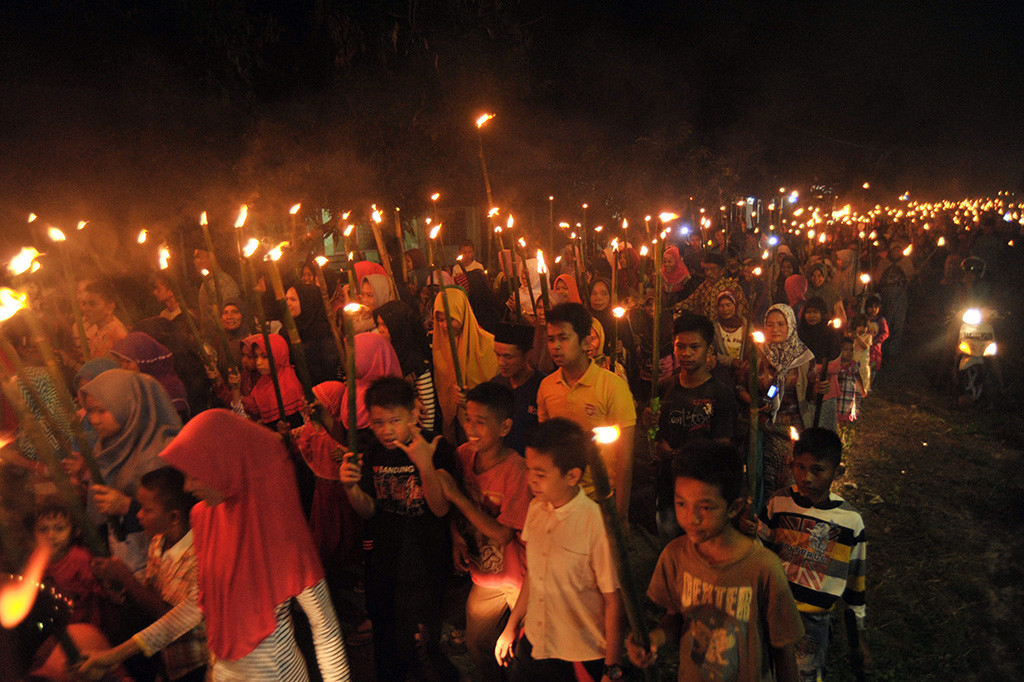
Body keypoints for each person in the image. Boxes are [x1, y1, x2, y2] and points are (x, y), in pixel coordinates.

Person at [160, 410, 350, 681]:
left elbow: (326, 629)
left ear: (226, 465)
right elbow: (201, 604)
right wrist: (123, 651)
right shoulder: (204, 518)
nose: (188, 487)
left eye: (195, 475)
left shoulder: (281, 534)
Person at [627, 441, 803, 682]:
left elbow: (783, 650)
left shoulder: (763, 568)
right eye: (681, 504)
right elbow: (676, 618)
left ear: (734, 508)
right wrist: (654, 639)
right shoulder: (675, 555)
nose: (692, 518)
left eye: (706, 507)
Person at [338, 376, 458, 681]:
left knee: (421, 640)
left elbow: (440, 509)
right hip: (384, 560)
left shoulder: (436, 447)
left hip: (426, 561)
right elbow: (368, 510)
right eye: (378, 422)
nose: (386, 430)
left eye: (394, 420)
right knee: (385, 633)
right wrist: (351, 489)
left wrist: (424, 465)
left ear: (414, 414)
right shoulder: (372, 454)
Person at [494, 419, 623, 682]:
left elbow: (613, 601)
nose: (531, 479)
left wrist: (612, 667)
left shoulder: (594, 524)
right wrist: (512, 625)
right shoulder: (536, 509)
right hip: (535, 641)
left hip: (578, 654)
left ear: (572, 475)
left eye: (540, 473)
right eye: (529, 469)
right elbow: (534, 573)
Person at [435, 382, 531, 681]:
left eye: (481, 422)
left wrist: (458, 497)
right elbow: (453, 509)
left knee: (526, 648)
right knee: (477, 644)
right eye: (468, 419)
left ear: (504, 427)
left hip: (521, 578)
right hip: (486, 574)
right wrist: (455, 536)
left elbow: (503, 535)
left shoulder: (516, 470)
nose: (471, 428)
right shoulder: (463, 455)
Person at [757, 428, 870, 680]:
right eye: (799, 467)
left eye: (817, 469)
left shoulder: (850, 522)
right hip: (771, 610)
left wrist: (857, 639)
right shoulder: (779, 503)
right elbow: (758, 551)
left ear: (837, 472)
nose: (806, 477)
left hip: (812, 622)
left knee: (803, 675)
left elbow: (855, 587)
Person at [80, 467, 209, 682]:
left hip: (195, 666)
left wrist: (126, 577)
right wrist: (117, 583)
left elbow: (170, 618)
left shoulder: (197, 555)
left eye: (147, 510)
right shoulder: (158, 542)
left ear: (174, 516)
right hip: (167, 662)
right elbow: (151, 597)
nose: (138, 515)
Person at [536, 303, 636, 523]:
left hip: (599, 501)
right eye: (551, 339)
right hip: (559, 500)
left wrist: (621, 514)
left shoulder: (612, 386)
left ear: (585, 342)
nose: (555, 347)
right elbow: (545, 446)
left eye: (563, 338)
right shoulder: (546, 387)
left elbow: (624, 458)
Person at [78, 369, 182, 574]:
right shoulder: (106, 447)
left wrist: (128, 506)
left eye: (101, 410)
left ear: (130, 406)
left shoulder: (162, 452)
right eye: (90, 411)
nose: (94, 420)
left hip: (165, 569)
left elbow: (177, 519)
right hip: (125, 565)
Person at [652, 313, 738, 542]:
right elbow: (654, 434)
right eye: (680, 346)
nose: (686, 353)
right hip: (668, 488)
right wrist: (650, 429)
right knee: (671, 546)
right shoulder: (663, 388)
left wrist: (676, 454)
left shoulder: (720, 393)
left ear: (709, 350)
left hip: (703, 492)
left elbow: (722, 449)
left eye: (694, 347)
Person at [744, 304, 815, 509]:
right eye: (770, 324)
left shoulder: (803, 357)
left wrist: (819, 388)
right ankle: (764, 520)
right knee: (763, 476)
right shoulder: (759, 353)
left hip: (791, 428)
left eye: (781, 324)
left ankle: (787, 517)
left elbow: (810, 395)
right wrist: (752, 403)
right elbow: (741, 382)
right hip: (764, 425)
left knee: (789, 477)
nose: (775, 329)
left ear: (791, 326)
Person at [433, 286, 498, 443]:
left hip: (482, 424)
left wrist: (470, 399)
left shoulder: (488, 344)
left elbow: (495, 388)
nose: (444, 326)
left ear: (462, 314)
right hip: (451, 422)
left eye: (450, 319)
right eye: (440, 320)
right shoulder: (438, 344)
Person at [32, 497, 103, 627]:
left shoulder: (80, 559)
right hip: (52, 625)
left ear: (75, 530)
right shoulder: (36, 558)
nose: (50, 536)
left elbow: (98, 596)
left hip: (82, 625)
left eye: (59, 529)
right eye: (43, 530)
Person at [373, 300, 439, 432]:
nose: (380, 330)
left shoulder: (415, 360)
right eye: (379, 324)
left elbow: (428, 410)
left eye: (385, 325)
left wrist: (423, 439)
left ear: (397, 326)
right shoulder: (390, 353)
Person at [111, 332, 191, 421]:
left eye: (128, 362)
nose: (124, 367)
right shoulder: (143, 387)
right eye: (121, 363)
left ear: (145, 360)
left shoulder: (169, 390)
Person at [490, 323, 543, 456]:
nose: (501, 362)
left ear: (527, 355)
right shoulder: (495, 385)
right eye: (498, 355)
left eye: (508, 357)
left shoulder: (542, 387)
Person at [240, 333, 306, 429]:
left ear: (278, 355)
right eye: (256, 356)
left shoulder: (291, 385)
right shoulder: (260, 385)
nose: (258, 362)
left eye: (264, 356)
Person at [284, 283, 340, 386]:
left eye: (293, 299)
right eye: (286, 299)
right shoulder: (286, 330)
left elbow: (329, 371)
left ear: (308, 302)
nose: (288, 303)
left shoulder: (323, 333)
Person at [677, 252, 750, 321]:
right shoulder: (704, 286)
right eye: (706, 269)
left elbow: (743, 310)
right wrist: (674, 308)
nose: (708, 273)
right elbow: (691, 302)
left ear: (722, 271)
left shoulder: (733, 287)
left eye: (712, 269)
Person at [80, 278, 130, 359]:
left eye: (92, 304)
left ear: (109, 308)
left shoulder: (117, 336)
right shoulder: (100, 331)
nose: (85, 308)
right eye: (84, 303)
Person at [833, 337, 867, 425]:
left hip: (848, 396)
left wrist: (862, 389)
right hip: (837, 395)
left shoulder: (853, 365)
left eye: (851, 350)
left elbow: (858, 376)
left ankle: (844, 431)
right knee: (836, 414)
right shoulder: (836, 365)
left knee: (846, 414)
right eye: (846, 350)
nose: (849, 353)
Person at [863, 295, 889, 373]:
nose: (873, 310)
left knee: (872, 368)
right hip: (863, 346)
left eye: (876, 307)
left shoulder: (881, 320)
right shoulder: (863, 318)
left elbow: (885, 333)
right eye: (871, 307)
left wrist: (876, 340)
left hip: (874, 349)